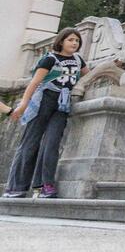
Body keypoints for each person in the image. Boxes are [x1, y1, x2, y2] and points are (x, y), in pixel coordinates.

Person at [3, 27, 89, 199]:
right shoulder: (49, 59)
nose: (74, 43)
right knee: (30, 144)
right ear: (61, 41)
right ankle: (16, 187)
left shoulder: (79, 60)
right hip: (43, 102)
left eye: (77, 41)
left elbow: (89, 77)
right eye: (70, 39)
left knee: (52, 144)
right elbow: (34, 84)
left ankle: (45, 185)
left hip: (62, 106)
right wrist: (23, 105)